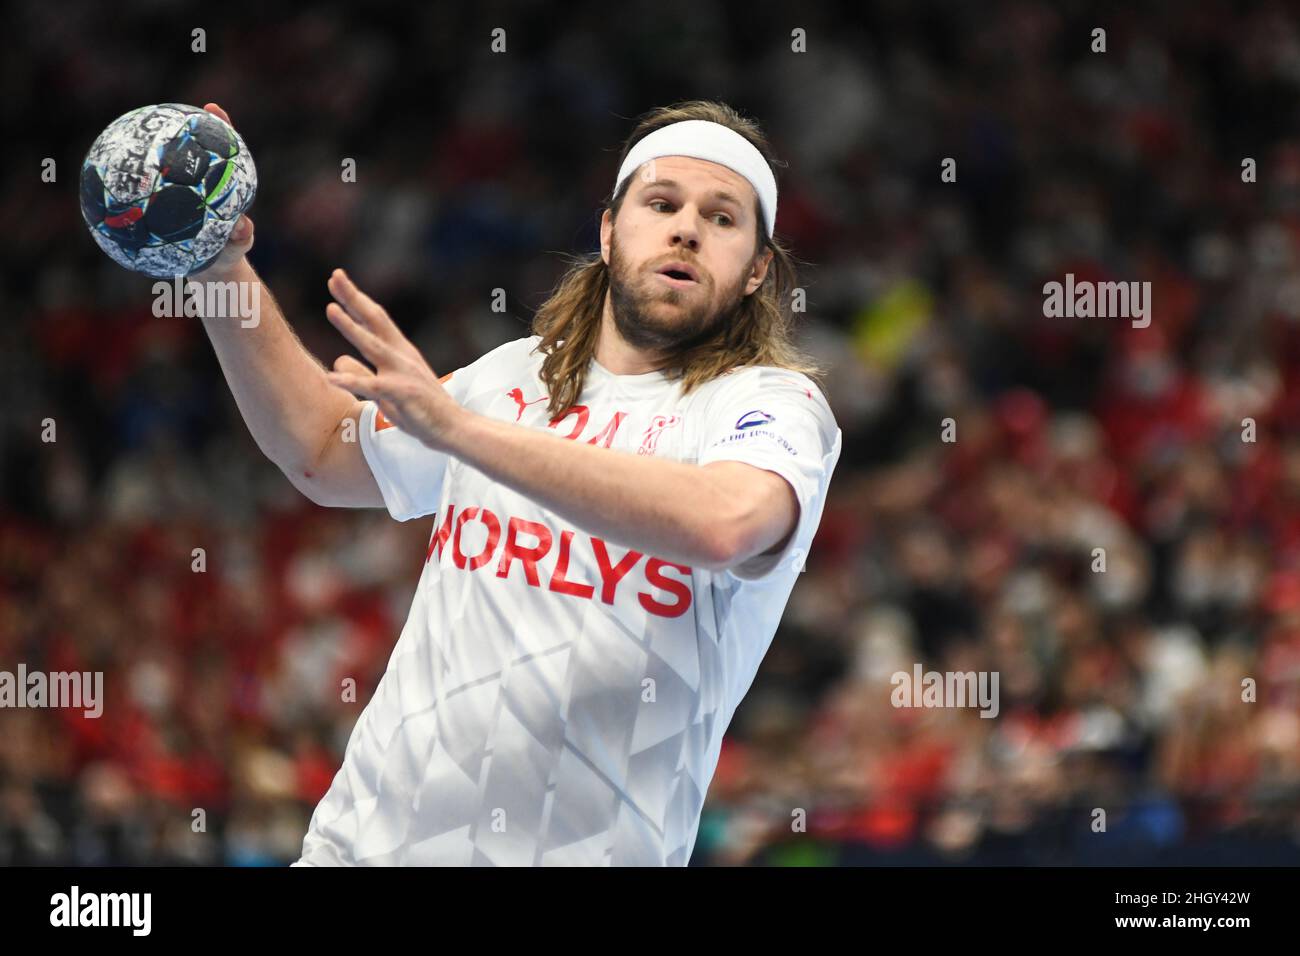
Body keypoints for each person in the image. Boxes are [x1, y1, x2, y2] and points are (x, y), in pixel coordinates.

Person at [195, 99, 842, 865]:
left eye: (723, 218)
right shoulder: (509, 378)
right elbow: (321, 451)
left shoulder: (772, 406)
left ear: (757, 271)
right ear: (608, 231)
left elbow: (725, 522)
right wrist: (216, 268)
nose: (687, 228)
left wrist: (460, 433)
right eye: (661, 204)